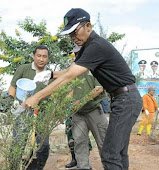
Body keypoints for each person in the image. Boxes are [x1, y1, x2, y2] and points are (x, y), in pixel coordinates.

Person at [24, 8, 143, 170]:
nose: (73, 37)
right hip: (123, 99)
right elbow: (68, 71)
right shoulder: (87, 48)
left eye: (75, 31)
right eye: (69, 34)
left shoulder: (96, 46)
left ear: (88, 26)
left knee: (109, 153)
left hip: (126, 99)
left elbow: (69, 76)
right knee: (119, 153)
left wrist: (37, 97)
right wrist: (50, 74)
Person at [8, 45, 54, 170]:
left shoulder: (49, 74)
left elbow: (54, 93)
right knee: (18, 142)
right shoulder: (24, 69)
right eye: (38, 56)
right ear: (34, 56)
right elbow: (13, 86)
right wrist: (10, 100)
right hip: (23, 111)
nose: (41, 59)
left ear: (48, 58)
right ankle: (13, 167)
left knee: (43, 145)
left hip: (42, 112)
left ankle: (37, 167)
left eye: (44, 56)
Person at [65, 70, 108, 170]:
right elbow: (69, 91)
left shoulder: (95, 69)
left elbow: (99, 89)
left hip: (94, 110)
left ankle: (109, 167)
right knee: (79, 142)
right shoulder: (72, 70)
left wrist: (80, 101)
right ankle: (83, 167)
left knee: (103, 141)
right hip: (77, 113)